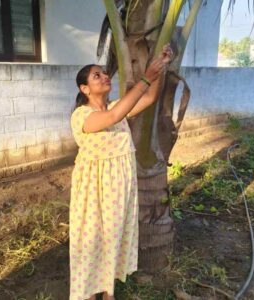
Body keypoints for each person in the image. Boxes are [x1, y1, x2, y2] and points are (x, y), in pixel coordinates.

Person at [69, 43, 173, 300]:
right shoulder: (82, 115)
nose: (105, 76)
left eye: (105, 73)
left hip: (119, 187)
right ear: (84, 89)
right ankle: (87, 293)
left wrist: (160, 69)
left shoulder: (117, 106)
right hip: (94, 189)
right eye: (97, 75)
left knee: (113, 236)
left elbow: (148, 99)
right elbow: (115, 115)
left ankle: (108, 291)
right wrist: (146, 77)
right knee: (91, 238)